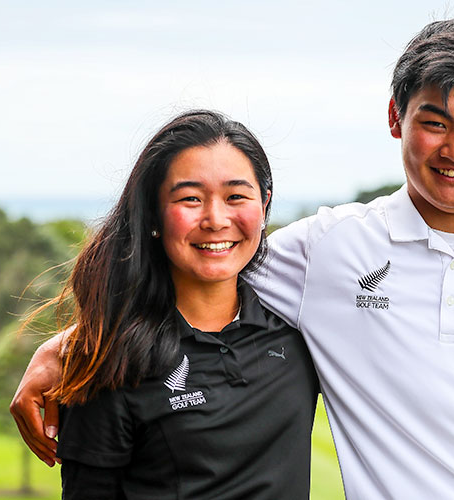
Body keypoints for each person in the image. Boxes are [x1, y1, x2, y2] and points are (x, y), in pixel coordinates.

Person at [12, 17, 454, 500]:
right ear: (396, 117)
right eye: (435, 123)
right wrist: (69, 344)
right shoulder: (328, 250)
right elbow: (209, 264)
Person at [27, 109, 320, 498]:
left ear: (264, 206)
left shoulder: (300, 326)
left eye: (236, 196)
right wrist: (74, 345)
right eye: (190, 199)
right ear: (152, 212)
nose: (216, 219)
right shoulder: (112, 363)